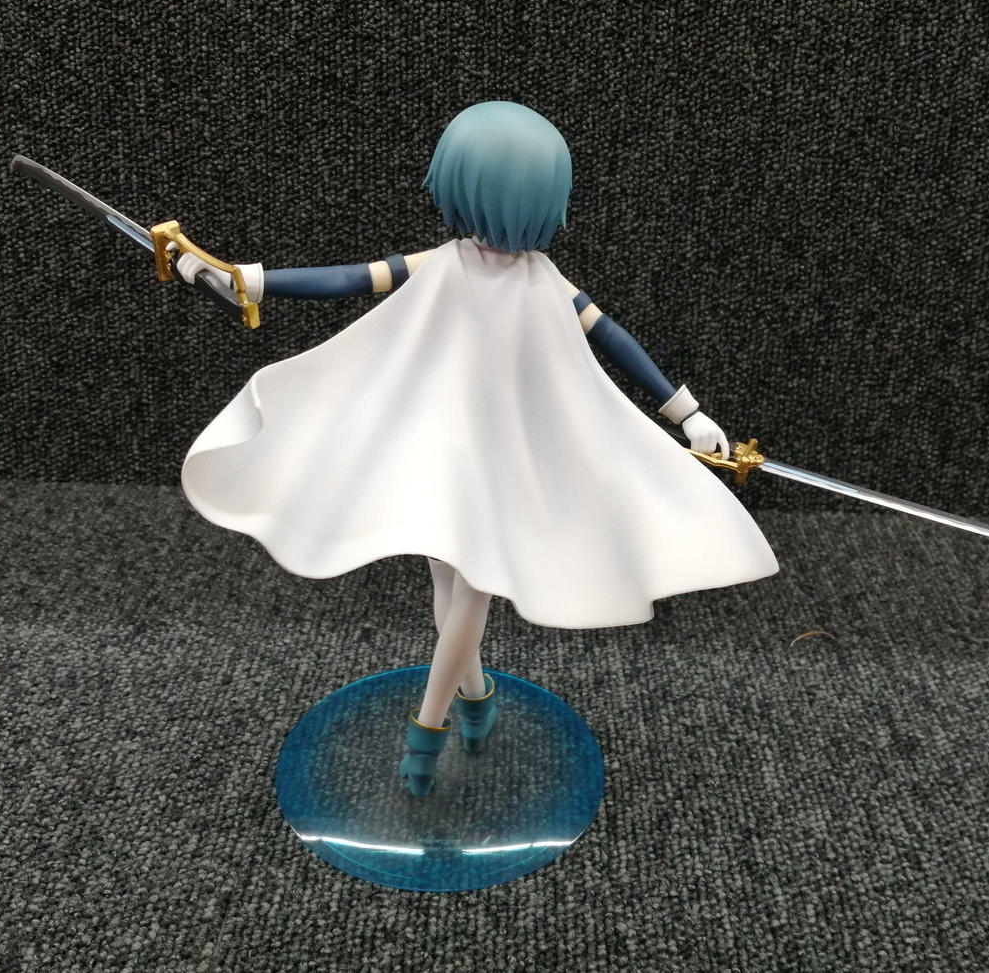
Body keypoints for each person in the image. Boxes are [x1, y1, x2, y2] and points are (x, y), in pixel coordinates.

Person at [175, 101, 779, 796]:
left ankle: (427, 732)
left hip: (509, 460)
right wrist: (248, 279)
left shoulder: (546, 284)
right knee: (449, 582)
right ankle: (477, 695)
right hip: (446, 452)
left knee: (470, 590)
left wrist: (687, 413)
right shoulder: (445, 265)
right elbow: (348, 278)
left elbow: (614, 341)